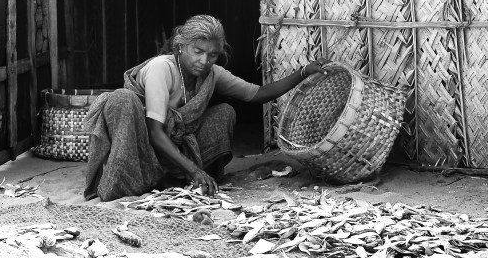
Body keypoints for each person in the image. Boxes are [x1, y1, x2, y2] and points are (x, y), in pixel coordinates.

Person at [83, 14, 329, 201]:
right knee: (121, 99)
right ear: (180, 46)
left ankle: (181, 177)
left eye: (212, 55)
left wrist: (304, 71)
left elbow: (258, 94)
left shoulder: (211, 73)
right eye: (197, 52)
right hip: (141, 145)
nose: (204, 61)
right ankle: (135, 180)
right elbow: (155, 132)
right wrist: (194, 170)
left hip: (176, 147)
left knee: (225, 113)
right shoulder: (162, 68)